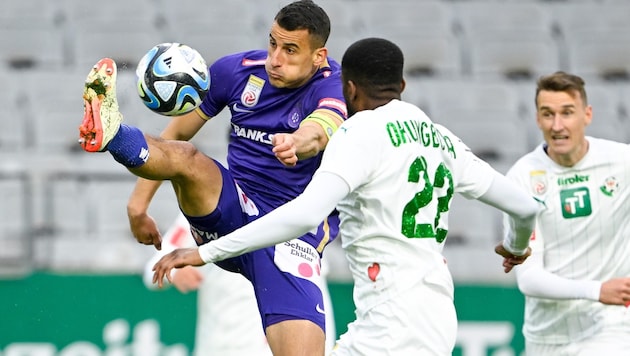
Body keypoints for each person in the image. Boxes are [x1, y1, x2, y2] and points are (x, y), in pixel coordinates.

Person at [150, 37, 539, 355]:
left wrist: (205, 252)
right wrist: (515, 245)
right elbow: (523, 206)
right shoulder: (443, 140)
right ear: (401, 86)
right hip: (438, 319)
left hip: (386, 324)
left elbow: (303, 216)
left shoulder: (358, 134)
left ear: (348, 88)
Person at [79, 1, 347, 354]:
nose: (275, 58)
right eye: (273, 43)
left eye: (290, 50)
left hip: (290, 237)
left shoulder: (337, 85)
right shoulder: (236, 71)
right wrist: (137, 205)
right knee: (189, 159)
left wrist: (298, 141)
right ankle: (113, 134)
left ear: (318, 56)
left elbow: (323, 127)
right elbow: (174, 137)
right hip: (235, 208)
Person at [502, 71, 630, 355]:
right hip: (547, 336)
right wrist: (597, 290)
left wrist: (605, 294)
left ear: (587, 114)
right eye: (548, 114)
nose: (557, 125)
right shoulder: (522, 178)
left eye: (567, 113)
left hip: (611, 326)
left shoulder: (622, 162)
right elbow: (528, 278)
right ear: (537, 119)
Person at [142, 213, 338, 355]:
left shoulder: (296, 206)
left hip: (276, 340)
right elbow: (155, 265)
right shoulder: (206, 203)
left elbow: (314, 287)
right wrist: (176, 271)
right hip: (219, 343)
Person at [142, 213, 272, 356]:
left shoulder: (273, 208)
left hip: (261, 346)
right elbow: (152, 270)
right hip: (213, 344)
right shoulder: (195, 213)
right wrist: (174, 272)